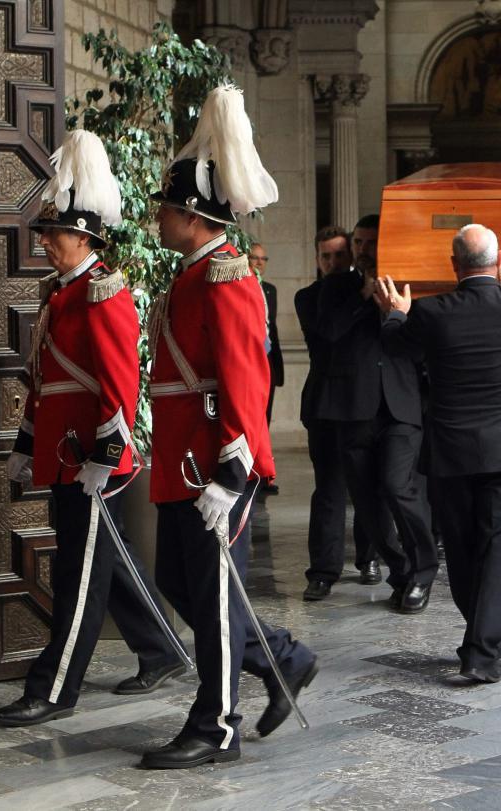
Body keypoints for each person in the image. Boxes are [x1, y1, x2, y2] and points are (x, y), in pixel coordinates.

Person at [142, 84, 317, 769]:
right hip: (182, 463)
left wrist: (233, 470)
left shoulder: (225, 279)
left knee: (212, 596)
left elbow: (245, 378)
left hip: (214, 464)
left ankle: (216, 725)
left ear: (192, 215)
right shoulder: (190, 276)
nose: (157, 216)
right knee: (184, 585)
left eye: (165, 208)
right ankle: (282, 656)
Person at [0, 131, 184, 727]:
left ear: (84, 236)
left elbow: (119, 383)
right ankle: (162, 649)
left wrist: (105, 455)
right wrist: (28, 445)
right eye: (46, 234)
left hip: (93, 461)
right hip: (68, 454)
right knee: (106, 557)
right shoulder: (65, 292)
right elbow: (48, 382)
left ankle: (53, 689)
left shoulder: (102, 294)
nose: (46, 243)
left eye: (54, 234)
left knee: (79, 578)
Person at [376, 224, 501, 683]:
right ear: (499, 260)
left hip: (452, 455)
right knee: (500, 549)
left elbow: (396, 347)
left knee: (460, 550)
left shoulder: (432, 312)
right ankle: (482, 648)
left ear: (454, 265)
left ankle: (481, 647)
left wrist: (395, 313)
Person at [316, 214, 438, 613]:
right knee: (367, 506)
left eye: (372, 242)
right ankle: (402, 572)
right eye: (360, 243)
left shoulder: (410, 287)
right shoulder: (336, 288)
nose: (365, 250)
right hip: (354, 409)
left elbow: (423, 347)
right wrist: (362, 299)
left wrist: (397, 313)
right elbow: (326, 336)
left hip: (401, 408)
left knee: (397, 486)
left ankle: (423, 571)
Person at [296, 226, 376, 600]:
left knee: (365, 487)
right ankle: (323, 572)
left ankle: (368, 558)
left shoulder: (373, 292)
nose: (332, 262)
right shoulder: (308, 297)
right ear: (317, 259)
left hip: (362, 402)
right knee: (328, 489)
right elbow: (329, 334)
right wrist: (361, 297)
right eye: (325, 256)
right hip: (325, 403)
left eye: (339, 255)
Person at [248, 242, 283, 494]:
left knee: (266, 417)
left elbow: (274, 329)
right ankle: (251, 471)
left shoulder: (269, 290)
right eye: (254, 258)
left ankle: (264, 471)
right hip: (250, 360)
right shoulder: (241, 286)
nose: (259, 263)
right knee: (252, 417)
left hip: (269, 357)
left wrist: (277, 365)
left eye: (263, 258)